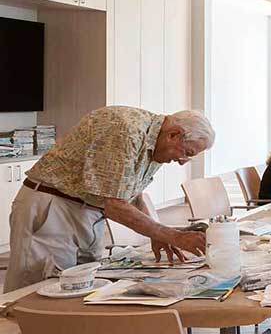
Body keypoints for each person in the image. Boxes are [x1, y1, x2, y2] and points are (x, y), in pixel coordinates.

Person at [5, 106, 215, 292]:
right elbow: (116, 205)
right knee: (38, 294)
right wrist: (173, 236)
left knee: (81, 292)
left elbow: (132, 194)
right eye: (186, 152)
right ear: (174, 135)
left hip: (86, 212)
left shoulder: (155, 140)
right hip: (54, 206)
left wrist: (158, 234)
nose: (182, 162)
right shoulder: (126, 130)